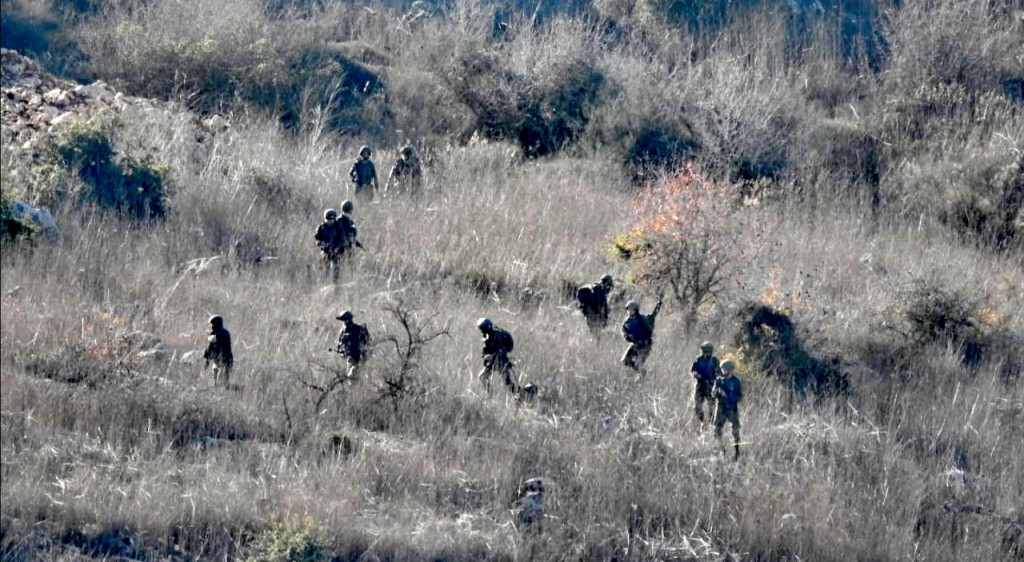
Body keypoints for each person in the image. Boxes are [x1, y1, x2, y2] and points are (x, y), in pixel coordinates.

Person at [713, 359, 744, 460]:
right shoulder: (718, 380)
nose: (722, 371)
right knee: (717, 430)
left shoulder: (736, 382)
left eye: (724, 369)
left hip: (731, 408)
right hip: (720, 407)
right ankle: (722, 450)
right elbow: (713, 394)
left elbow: (739, 396)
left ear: (730, 370)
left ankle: (737, 452)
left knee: (735, 431)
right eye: (722, 369)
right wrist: (718, 392)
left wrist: (729, 396)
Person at [620, 299, 662, 374]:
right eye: (628, 310)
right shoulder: (627, 322)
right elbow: (624, 331)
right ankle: (639, 372)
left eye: (631, 310)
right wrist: (626, 336)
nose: (629, 312)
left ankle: (642, 374)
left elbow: (653, 316)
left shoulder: (642, 319)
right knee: (625, 361)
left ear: (636, 310)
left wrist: (658, 305)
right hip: (635, 344)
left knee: (638, 363)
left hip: (645, 346)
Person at [477, 317, 516, 394]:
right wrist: (485, 356)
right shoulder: (487, 334)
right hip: (493, 360)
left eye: (482, 329)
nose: (481, 331)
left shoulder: (497, 334)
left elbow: (501, 351)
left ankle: (517, 397)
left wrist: (492, 358)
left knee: (507, 382)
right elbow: (485, 349)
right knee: (482, 377)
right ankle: (489, 394)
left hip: (501, 360)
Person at [690, 341, 722, 427]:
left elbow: (719, 374)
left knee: (712, 407)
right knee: (697, 405)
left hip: (711, 386)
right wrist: (696, 374)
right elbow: (693, 370)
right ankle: (702, 422)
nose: (705, 353)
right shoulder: (698, 360)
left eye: (707, 351)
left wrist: (715, 382)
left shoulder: (714, 361)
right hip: (700, 385)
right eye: (704, 351)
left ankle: (712, 424)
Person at [335, 310, 370, 379]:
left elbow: (367, 340)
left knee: (359, 375)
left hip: (360, 357)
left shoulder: (358, 329)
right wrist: (341, 352)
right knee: (351, 378)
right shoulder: (343, 331)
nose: (344, 322)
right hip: (350, 358)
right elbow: (340, 344)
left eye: (345, 320)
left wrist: (365, 352)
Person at [314, 208, 346, 281]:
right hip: (325, 251)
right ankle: (324, 280)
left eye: (332, 220)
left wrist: (337, 247)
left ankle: (336, 281)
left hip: (336, 250)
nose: (330, 222)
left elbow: (342, 239)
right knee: (324, 267)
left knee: (336, 266)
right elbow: (317, 239)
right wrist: (321, 243)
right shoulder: (321, 227)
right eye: (328, 220)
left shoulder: (338, 227)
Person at [203, 315, 233, 387]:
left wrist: (213, 337)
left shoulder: (223, 333)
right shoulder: (214, 334)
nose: (211, 326)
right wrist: (207, 359)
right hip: (216, 361)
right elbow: (209, 348)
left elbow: (222, 343)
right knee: (215, 382)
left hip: (225, 360)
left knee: (222, 381)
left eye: (212, 324)